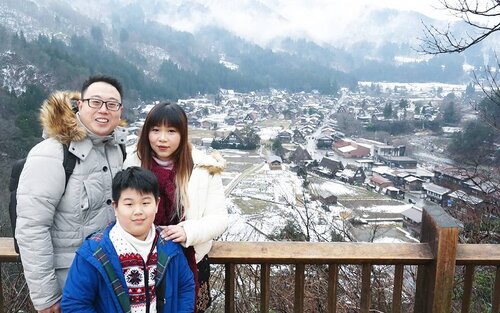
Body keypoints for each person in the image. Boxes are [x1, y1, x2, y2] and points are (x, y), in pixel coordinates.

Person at [15, 75, 128, 312]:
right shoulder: (51, 153)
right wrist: (46, 297)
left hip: (109, 278)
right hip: (68, 284)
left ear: (120, 110)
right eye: (95, 102)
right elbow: (32, 228)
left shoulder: (117, 149)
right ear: (81, 104)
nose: (103, 110)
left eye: (111, 104)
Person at [124, 102, 227, 312]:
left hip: (191, 264)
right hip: (137, 266)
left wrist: (187, 231)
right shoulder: (129, 163)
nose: (162, 138)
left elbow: (219, 219)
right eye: (155, 130)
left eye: (171, 131)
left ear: (183, 134)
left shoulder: (203, 168)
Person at [61, 166, 195, 312]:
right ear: (115, 207)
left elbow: (185, 287)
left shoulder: (168, 246)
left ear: (156, 204)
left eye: (145, 203)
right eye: (129, 204)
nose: (138, 211)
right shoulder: (94, 252)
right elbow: (75, 304)